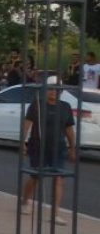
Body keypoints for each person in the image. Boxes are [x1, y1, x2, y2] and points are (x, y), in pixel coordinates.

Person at [21, 85, 77, 226]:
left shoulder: (65, 106)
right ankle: (25, 201)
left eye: (57, 90)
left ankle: (55, 214)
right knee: (36, 176)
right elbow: (27, 123)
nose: (53, 92)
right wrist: (23, 142)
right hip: (38, 146)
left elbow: (69, 128)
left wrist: (72, 148)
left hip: (58, 147)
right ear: (46, 90)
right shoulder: (37, 105)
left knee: (58, 179)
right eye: (51, 89)